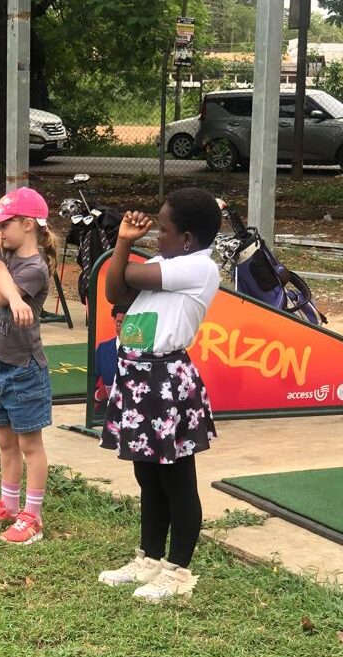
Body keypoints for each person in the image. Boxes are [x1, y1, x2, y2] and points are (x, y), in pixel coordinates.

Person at [96, 188, 221, 603]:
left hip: (166, 380)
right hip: (136, 375)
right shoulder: (163, 261)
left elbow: (126, 277)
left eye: (163, 230)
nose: (157, 237)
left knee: (177, 479)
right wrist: (125, 245)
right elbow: (114, 293)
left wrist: (125, 243)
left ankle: (179, 570)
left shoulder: (199, 268)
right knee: (147, 475)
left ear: (187, 238)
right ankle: (149, 557)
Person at [0, 188, 57, 541]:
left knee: (30, 445)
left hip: (23, 370)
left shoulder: (34, 267)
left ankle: (32, 516)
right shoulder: (6, 257)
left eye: (5, 224)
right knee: (5, 442)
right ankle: (8, 505)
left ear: (28, 224)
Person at [94, 303, 130, 415]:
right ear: (114, 322)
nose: (123, 328)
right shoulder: (103, 349)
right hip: (107, 413)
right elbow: (89, 383)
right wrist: (97, 395)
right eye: (119, 323)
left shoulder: (145, 351)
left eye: (127, 324)